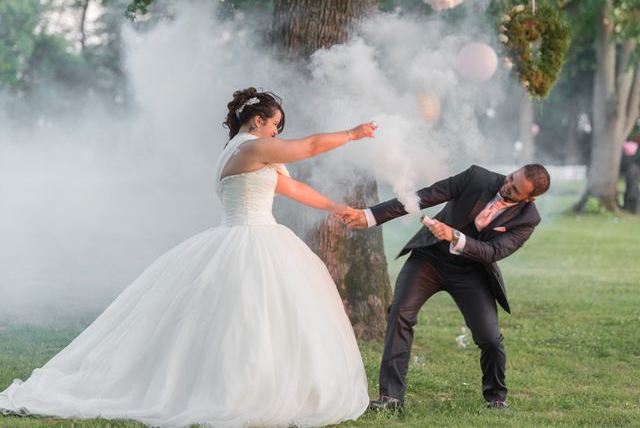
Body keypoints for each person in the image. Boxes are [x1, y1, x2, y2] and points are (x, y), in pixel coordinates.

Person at [0, 87, 377, 427]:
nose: (277, 132)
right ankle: (238, 391)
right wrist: (353, 134)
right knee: (246, 320)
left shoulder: (249, 152)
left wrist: (335, 207)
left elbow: (291, 185)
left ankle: (262, 384)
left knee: (256, 321)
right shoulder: (250, 148)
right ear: (258, 120)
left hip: (252, 237)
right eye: (275, 124)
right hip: (249, 239)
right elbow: (309, 147)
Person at [340, 164, 551, 410]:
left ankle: (496, 398)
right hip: (429, 259)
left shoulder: (528, 219)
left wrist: (455, 236)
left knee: (490, 338)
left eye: (515, 190)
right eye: (512, 177)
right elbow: (423, 196)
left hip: (473, 272)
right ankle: (391, 398)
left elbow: (494, 251)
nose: (507, 185)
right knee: (400, 314)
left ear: (529, 198)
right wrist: (369, 216)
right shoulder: (477, 177)